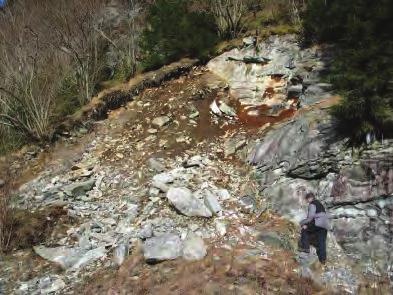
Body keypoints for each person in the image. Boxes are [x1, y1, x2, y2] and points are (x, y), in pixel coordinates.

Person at [298, 192, 330, 264]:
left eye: (307, 199)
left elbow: (310, 218)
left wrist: (301, 223)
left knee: (304, 230)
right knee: (322, 242)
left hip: (317, 224)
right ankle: (323, 260)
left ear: (310, 198)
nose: (307, 201)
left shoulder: (312, 204)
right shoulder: (320, 204)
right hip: (325, 225)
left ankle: (305, 248)